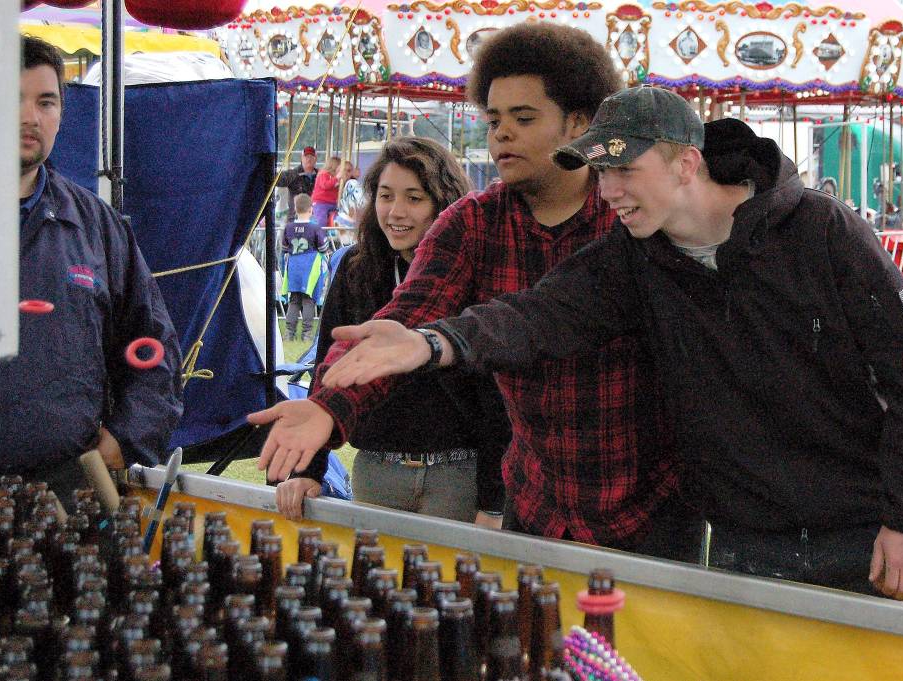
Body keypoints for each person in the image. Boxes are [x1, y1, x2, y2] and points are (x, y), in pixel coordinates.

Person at [318, 87, 903, 605]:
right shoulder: (633, 258)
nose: (610, 190)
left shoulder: (823, 232)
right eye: (601, 173)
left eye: (624, 168)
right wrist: (434, 343)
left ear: (685, 163)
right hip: (742, 543)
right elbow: (538, 315)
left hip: (865, 533)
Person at [250, 24, 696, 559]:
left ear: (579, 122)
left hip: (651, 512)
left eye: (523, 118)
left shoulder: (632, 218)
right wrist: (327, 408)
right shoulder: (473, 223)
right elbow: (406, 317)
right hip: (537, 507)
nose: (501, 134)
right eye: (493, 119)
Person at [0, 36, 182, 507]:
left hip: (67, 496)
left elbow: (154, 348)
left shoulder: (96, 227)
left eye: (45, 101)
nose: (29, 117)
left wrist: (126, 437)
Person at [275, 137, 506, 523]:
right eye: (385, 196)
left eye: (414, 198)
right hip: (376, 471)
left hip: (457, 476)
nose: (396, 211)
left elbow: (496, 395)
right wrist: (308, 472)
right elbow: (326, 372)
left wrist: (493, 501)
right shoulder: (354, 269)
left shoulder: (475, 273)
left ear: (445, 204)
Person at [283, 193, 331, 342]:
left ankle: (289, 333)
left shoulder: (288, 227)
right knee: (308, 300)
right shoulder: (314, 228)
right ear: (311, 210)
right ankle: (307, 334)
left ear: (296, 209)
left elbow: (284, 248)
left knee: (294, 300)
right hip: (309, 268)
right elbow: (323, 247)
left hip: (294, 267)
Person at [311, 156, 341, 228]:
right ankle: (319, 235)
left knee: (337, 219)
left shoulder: (335, 178)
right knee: (321, 221)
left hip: (332, 203)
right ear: (334, 166)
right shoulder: (323, 174)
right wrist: (336, 178)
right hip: (321, 203)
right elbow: (325, 185)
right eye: (340, 168)